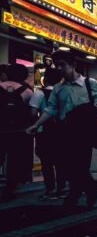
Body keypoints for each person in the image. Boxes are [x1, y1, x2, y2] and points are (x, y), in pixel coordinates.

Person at [27, 51, 97, 208]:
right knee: (66, 165)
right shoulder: (58, 88)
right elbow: (51, 109)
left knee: (81, 165)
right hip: (65, 131)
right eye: (58, 65)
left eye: (63, 65)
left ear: (73, 65)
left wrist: (84, 111)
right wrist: (36, 124)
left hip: (84, 131)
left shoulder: (90, 84)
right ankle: (89, 186)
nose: (60, 68)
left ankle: (75, 194)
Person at [30, 66, 66, 199]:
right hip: (62, 133)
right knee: (61, 162)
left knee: (46, 163)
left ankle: (50, 189)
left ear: (44, 80)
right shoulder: (64, 93)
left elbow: (32, 113)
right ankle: (61, 188)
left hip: (44, 133)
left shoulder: (38, 94)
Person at [0, 63, 34, 201]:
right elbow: (32, 112)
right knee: (15, 162)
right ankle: (9, 190)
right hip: (19, 132)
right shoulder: (28, 91)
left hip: (1, 130)